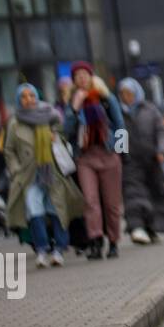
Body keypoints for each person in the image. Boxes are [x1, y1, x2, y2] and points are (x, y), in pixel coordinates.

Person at [3, 84, 83, 267]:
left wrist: (57, 137)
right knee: (34, 211)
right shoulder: (14, 122)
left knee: (57, 209)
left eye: (31, 95)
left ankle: (59, 250)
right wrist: (16, 170)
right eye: (24, 97)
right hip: (29, 174)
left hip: (52, 171)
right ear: (18, 100)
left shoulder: (51, 116)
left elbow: (65, 137)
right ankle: (41, 249)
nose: (29, 99)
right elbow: (9, 150)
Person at [62, 61, 126, 260]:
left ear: (91, 77)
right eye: (77, 76)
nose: (81, 78)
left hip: (108, 154)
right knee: (90, 201)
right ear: (74, 81)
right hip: (85, 157)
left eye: (84, 74)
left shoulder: (106, 98)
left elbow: (120, 125)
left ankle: (113, 241)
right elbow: (66, 132)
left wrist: (121, 151)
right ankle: (96, 241)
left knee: (111, 203)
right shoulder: (72, 102)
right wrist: (74, 108)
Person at [118, 78, 164, 243]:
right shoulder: (119, 114)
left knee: (154, 194)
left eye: (129, 93)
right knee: (133, 193)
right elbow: (118, 136)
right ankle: (136, 227)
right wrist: (120, 155)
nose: (126, 97)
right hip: (130, 162)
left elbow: (162, 131)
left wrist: (162, 150)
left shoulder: (150, 110)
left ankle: (152, 227)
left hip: (152, 160)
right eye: (123, 94)